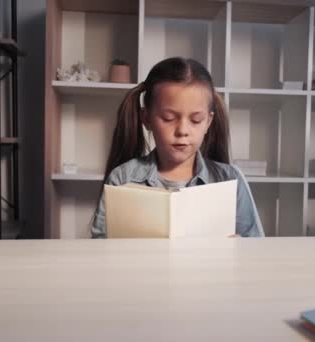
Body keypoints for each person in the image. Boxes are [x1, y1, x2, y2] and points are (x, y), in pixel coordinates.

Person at [91, 57, 264, 238]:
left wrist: (240, 248)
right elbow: (100, 248)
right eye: (168, 118)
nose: (182, 131)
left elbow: (254, 250)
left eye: (196, 120)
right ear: (147, 118)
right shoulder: (122, 178)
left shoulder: (230, 179)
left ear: (208, 122)